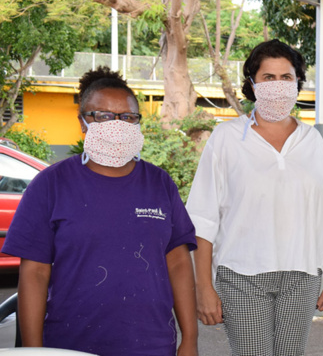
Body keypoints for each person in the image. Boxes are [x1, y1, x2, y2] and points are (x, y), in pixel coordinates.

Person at [2, 66, 198, 355]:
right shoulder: (51, 185)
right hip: (70, 344)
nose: (116, 125)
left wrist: (190, 340)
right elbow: (34, 274)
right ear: (83, 122)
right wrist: (34, 351)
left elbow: (179, 263)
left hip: (151, 344)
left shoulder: (159, 184)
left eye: (128, 117)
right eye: (103, 116)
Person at [187, 39, 323, 356]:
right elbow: (204, 218)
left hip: (302, 278)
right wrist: (203, 286)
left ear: (297, 83)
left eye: (286, 78)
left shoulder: (311, 140)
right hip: (242, 277)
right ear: (252, 84)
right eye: (268, 78)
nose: (278, 85)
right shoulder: (226, 138)